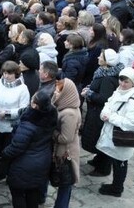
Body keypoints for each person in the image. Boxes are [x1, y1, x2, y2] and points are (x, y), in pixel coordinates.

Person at [0, 90, 57, 208]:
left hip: (24, 165)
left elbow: (16, 147)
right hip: (42, 161)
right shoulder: (51, 116)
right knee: (33, 192)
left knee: (18, 193)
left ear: (35, 105)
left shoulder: (29, 123)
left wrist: (4, 153)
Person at [94, 67, 134, 197]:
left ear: (133, 82)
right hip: (112, 135)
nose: (122, 84)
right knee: (115, 160)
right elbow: (109, 103)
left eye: (126, 81)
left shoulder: (132, 101)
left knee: (120, 163)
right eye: (121, 80)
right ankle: (115, 186)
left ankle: (117, 189)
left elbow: (133, 124)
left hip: (121, 139)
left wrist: (111, 117)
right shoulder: (120, 91)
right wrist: (105, 112)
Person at [0, 61, 30, 183]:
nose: (6, 76)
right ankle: (0, 171)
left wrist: (8, 113)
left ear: (16, 73)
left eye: (9, 73)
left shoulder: (22, 88)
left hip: (12, 127)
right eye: (4, 73)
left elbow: (24, 110)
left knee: (8, 152)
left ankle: (7, 172)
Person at [80, 49, 122, 176]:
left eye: (101, 56)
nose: (98, 57)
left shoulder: (107, 79)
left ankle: (103, 167)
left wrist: (89, 93)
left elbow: (104, 98)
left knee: (99, 138)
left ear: (106, 61)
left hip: (99, 114)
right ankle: (98, 160)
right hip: (95, 112)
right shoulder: (103, 72)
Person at [52, 77, 81, 208]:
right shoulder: (63, 104)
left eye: (58, 91)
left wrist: (51, 132)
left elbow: (66, 138)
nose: (55, 93)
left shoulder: (69, 113)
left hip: (65, 153)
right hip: (61, 150)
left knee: (65, 183)